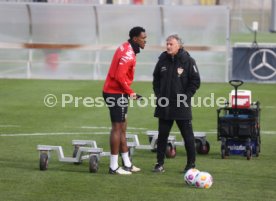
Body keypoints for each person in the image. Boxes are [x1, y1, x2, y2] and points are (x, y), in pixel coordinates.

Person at [152, 34, 200, 173]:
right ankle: (159, 164)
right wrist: (158, 94)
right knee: (162, 136)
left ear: (178, 45)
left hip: (181, 105)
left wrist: (186, 97)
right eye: (167, 43)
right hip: (164, 104)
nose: (168, 46)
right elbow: (156, 79)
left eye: (171, 44)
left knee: (188, 136)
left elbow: (195, 81)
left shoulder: (188, 61)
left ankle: (191, 164)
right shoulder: (162, 60)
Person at [103, 26, 147, 175]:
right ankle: (114, 167)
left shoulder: (127, 47)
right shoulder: (128, 54)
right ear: (135, 39)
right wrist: (131, 93)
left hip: (117, 92)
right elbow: (119, 77)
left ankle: (127, 163)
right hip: (116, 94)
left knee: (122, 127)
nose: (145, 41)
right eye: (143, 38)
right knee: (117, 127)